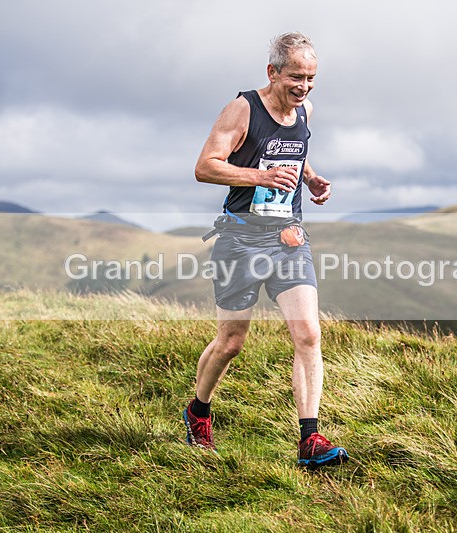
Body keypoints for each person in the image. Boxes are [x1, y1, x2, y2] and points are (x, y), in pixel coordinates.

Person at [182, 32, 347, 468]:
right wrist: (260, 176)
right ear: (272, 72)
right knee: (231, 342)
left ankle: (310, 440)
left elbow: (293, 150)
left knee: (308, 334)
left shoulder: (304, 110)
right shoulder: (243, 109)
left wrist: (310, 177)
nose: (304, 87)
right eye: (296, 77)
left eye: (311, 78)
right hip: (239, 240)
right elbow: (205, 167)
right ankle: (198, 412)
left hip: (288, 239)